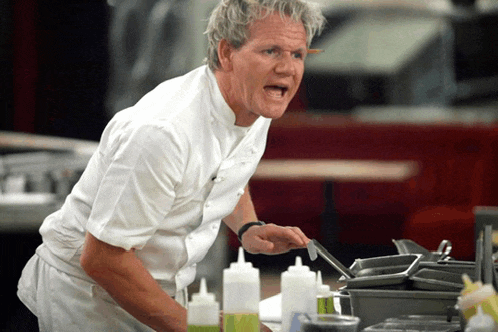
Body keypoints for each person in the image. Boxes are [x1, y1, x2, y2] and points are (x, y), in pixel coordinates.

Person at [17, 0, 326, 331]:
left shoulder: (255, 103)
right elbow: (102, 259)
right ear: (226, 53)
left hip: (152, 286)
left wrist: (248, 227)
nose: (288, 69)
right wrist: (200, 327)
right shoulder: (164, 133)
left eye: (297, 54)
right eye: (271, 51)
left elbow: (226, 168)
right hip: (88, 297)